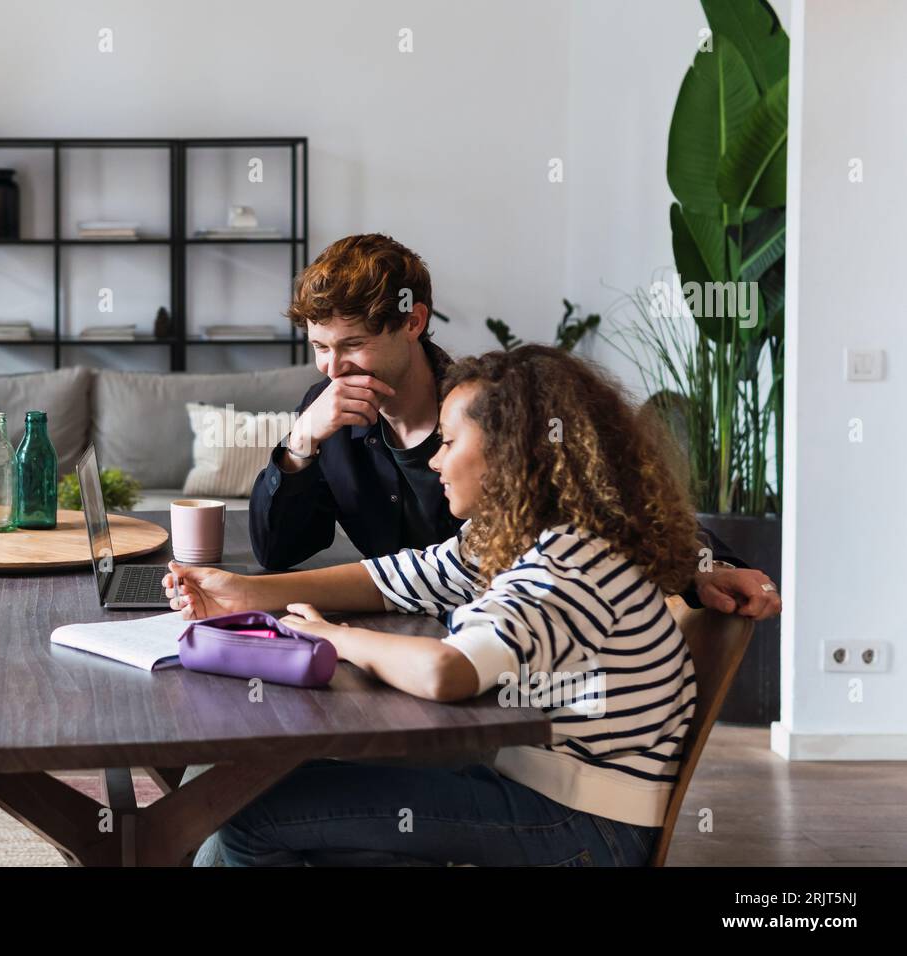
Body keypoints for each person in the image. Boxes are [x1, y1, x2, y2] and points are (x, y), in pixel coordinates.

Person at [167, 345, 780, 866]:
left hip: (582, 825)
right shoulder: (525, 532)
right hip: (540, 787)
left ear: (512, 452)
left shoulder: (567, 560)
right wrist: (243, 593)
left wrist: (333, 636)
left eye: (451, 441)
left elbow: (445, 670)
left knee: (246, 816)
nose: (433, 460)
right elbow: (408, 575)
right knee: (253, 796)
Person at [249, 232, 781, 620]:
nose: (332, 368)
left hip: (508, 657)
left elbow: (606, 497)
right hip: (402, 633)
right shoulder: (325, 411)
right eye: (320, 347)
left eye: (353, 345)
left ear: (413, 322)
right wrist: (299, 445)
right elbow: (277, 552)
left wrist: (708, 564)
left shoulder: (490, 407)